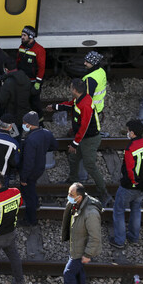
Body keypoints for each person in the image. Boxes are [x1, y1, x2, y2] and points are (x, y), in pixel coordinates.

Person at [48, 78, 111, 206]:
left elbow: (84, 127)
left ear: (75, 90)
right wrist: (56, 107)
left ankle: (104, 193)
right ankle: (73, 181)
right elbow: (71, 105)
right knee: (73, 157)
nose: (70, 89)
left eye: (71, 87)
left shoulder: (85, 104)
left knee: (90, 164)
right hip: (83, 137)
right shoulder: (81, 98)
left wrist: (75, 143)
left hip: (90, 139)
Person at [110, 119, 143, 249]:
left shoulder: (130, 149)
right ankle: (133, 237)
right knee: (136, 209)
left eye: (128, 131)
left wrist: (134, 182)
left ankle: (119, 241)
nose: (127, 133)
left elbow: (129, 170)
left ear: (132, 133)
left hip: (129, 186)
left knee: (118, 211)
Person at [58, 182, 102, 284]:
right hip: (76, 246)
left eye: (71, 195)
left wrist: (88, 254)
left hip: (80, 250)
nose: (69, 197)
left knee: (68, 273)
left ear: (80, 197)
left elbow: (95, 237)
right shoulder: (76, 204)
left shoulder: (91, 213)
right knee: (78, 270)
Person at [19, 111, 58, 226]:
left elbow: (28, 162)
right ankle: (35, 204)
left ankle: (31, 220)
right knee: (32, 188)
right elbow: (54, 145)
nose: (23, 125)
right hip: (40, 167)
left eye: (24, 123)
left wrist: (23, 178)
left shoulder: (30, 140)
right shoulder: (46, 133)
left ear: (29, 124)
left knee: (28, 193)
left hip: (31, 171)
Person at [16, 25, 46, 117]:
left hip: (33, 82)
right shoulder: (21, 47)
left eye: (24, 35)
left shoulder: (39, 50)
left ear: (31, 37)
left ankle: (40, 123)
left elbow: (41, 68)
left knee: (35, 103)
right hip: (22, 81)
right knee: (22, 102)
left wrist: (38, 82)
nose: (22, 37)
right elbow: (18, 62)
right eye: (22, 35)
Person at [0, 55, 31, 131]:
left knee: (12, 136)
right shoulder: (26, 78)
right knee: (18, 134)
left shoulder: (8, 82)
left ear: (6, 69)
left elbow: (2, 100)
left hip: (11, 114)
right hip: (24, 112)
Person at [82, 50, 107, 123]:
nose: (84, 63)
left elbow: (87, 99)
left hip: (91, 109)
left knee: (87, 125)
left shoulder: (90, 79)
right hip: (98, 106)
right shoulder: (101, 71)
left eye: (87, 62)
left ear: (94, 64)